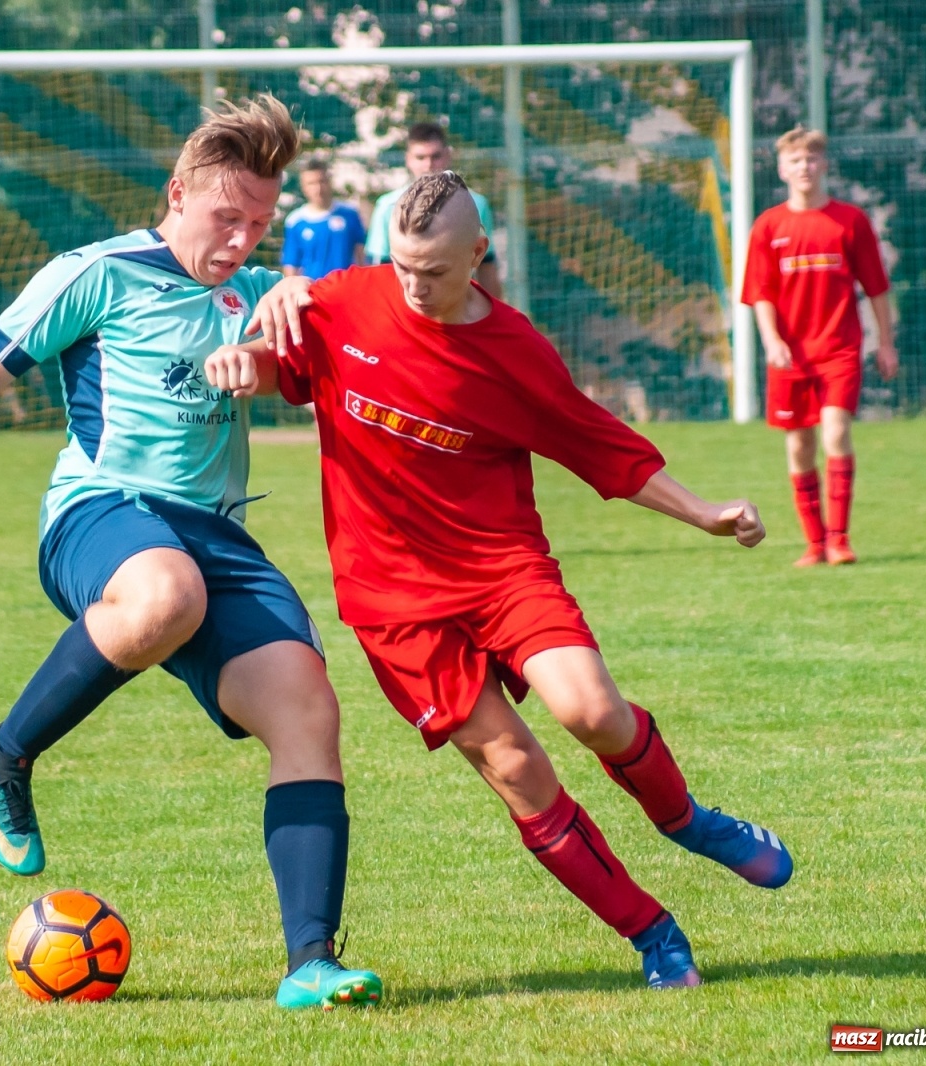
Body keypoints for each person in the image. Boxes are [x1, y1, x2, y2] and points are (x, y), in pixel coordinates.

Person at [205, 172, 794, 990]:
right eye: (403, 266)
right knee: (518, 770)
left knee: (593, 711)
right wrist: (246, 363)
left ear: (478, 255)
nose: (414, 286)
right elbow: (287, 370)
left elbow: (600, 444)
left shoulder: (515, 351)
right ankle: (652, 932)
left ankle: (687, 819)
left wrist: (703, 513)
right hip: (393, 603)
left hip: (503, 570)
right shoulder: (345, 301)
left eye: (435, 271)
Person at [0, 95, 381, 1011]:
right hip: (101, 512)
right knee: (163, 593)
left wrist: (274, 342)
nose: (240, 239)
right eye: (226, 217)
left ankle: (310, 964)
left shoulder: (259, 291)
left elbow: (302, 374)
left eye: (259, 224)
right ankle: (4, 755)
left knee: (308, 709)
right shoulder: (97, 272)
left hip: (216, 536)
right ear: (176, 195)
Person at [742, 125, 896, 567]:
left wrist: (886, 343)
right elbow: (761, 292)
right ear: (782, 169)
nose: (804, 167)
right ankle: (813, 544)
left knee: (836, 433)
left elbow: (877, 288)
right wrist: (771, 341)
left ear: (824, 164)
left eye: (812, 159)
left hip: (840, 350)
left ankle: (839, 538)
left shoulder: (850, 221)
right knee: (798, 448)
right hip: (791, 355)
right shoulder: (769, 225)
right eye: (795, 161)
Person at [365, 122, 503, 299]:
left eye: (435, 156)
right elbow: (379, 269)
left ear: (448, 155)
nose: (429, 165)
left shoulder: (476, 204)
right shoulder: (388, 206)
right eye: (420, 157)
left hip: (457, 308)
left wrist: (495, 319)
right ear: (408, 159)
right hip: (408, 307)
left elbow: (486, 266)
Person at [281, 160, 366, 280]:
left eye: (322, 181)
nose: (318, 188)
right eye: (311, 183)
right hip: (313, 292)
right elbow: (291, 265)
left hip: (346, 290)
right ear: (303, 187)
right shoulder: (295, 221)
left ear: (330, 182)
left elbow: (360, 255)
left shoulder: (350, 214)